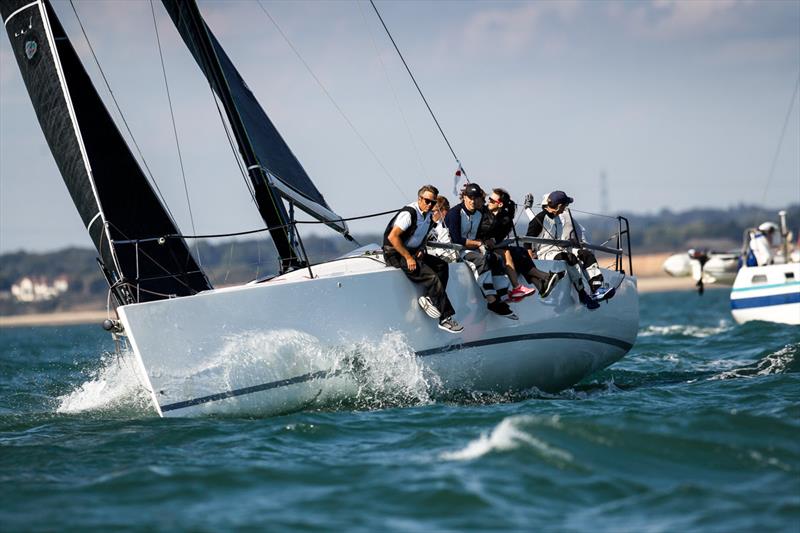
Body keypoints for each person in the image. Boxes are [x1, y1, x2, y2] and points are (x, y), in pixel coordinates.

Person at [384, 185, 463, 333]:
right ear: (419, 199)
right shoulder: (409, 214)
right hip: (396, 253)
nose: (430, 205)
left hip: (412, 252)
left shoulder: (427, 214)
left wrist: (420, 248)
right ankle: (445, 319)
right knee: (432, 278)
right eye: (427, 201)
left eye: (433, 203)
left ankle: (431, 299)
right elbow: (392, 237)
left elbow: (420, 235)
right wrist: (408, 257)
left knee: (441, 265)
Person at [525, 190, 613, 310]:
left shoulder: (556, 218)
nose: (565, 209)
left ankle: (597, 289)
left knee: (585, 254)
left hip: (559, 250)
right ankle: (582, 294)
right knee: (569, 258)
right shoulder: (539, 219)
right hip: (545, 254)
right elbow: (527, 242)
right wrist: (531, 260)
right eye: (565, 206)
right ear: (559, 206)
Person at [444, 183, 517, 319]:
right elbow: (456, 239)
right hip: (454, 250)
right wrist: (478, 243)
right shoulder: (455, 213)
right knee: (480, 260)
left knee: (495, 258)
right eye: (470, 197)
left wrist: (489, 240)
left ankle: (502, 296)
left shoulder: (479, 213)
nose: (473, 201)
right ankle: (491, 300)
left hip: (472, 247)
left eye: (476, 198)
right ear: (464, 197)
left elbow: (487, 228)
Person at [479, 188, 559, 301]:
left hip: (496, 246)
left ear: (500, 204)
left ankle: (540, 284)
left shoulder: (504, 218)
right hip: (487, 247)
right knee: (513, 253)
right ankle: (543, 277)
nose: (488, 202)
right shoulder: (483, 213)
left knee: (520, 252)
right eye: (489, 199)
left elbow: (497, 237)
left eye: (492, 200)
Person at [427, 196, 458, 263]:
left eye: (433, 211)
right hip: (440, 254)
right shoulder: (437, 223)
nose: (431, 214)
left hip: (449, 257)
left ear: (442, 209)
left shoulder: (452, 220)